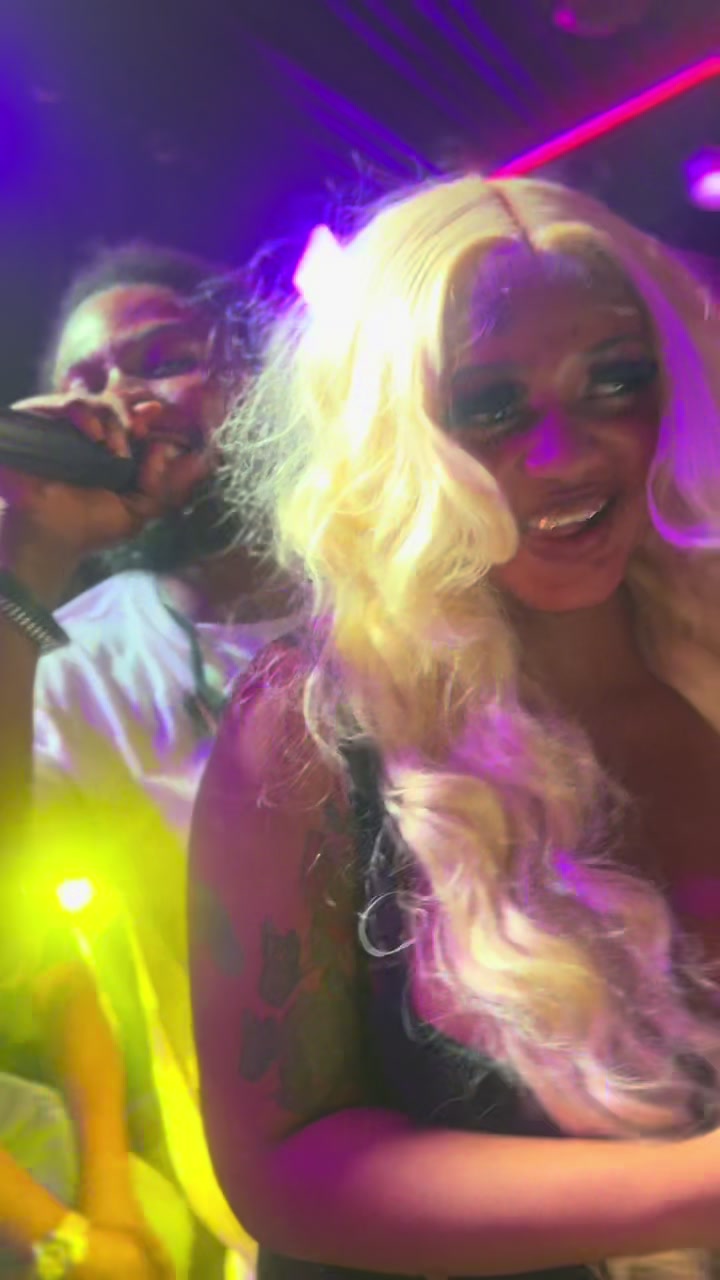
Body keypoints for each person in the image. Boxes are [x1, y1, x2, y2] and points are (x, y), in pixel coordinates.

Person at [189, 172, 720, 1280]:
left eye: (616, 379)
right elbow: (284, 1166)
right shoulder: (309, 727)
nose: (568, 453)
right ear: (395, 436)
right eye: (490, 404)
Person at [0, 241, 299, 1273]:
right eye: (84, 384)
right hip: (291, 1208)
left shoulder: (401, 569)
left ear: (254, 375)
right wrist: (27, 559)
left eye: (163, 358)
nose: (122, 399)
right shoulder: (66, 660)